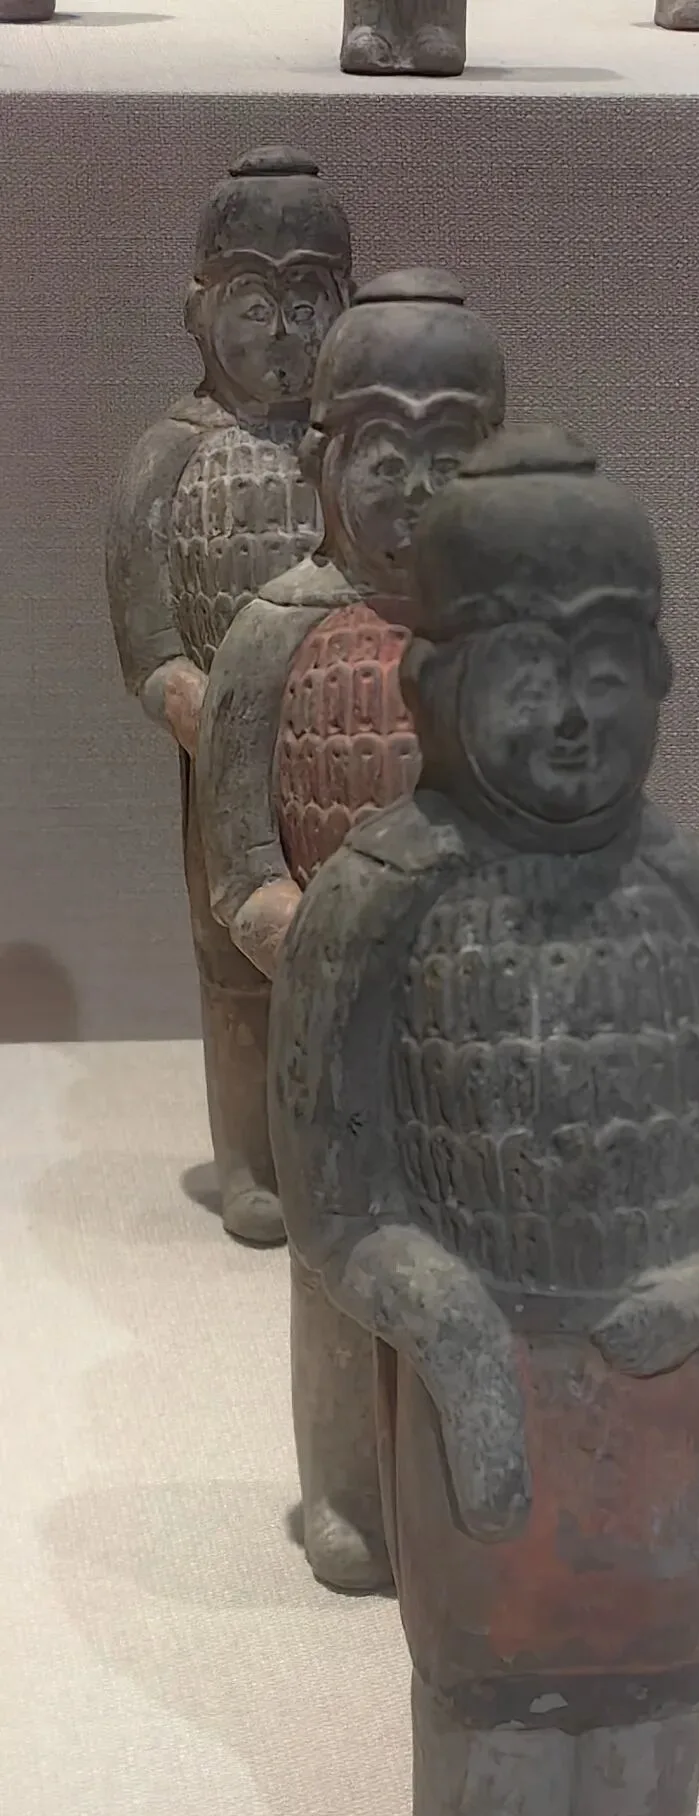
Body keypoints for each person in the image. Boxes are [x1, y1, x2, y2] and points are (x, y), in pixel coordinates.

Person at [268, 426, 699, 1816]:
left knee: (651, 1711)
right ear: (431, 687)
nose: (571, 717)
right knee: (495, 1719)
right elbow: (339, 1204)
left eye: (604, 668)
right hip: (480, 1391)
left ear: (660, 677)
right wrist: (454, 1332)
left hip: (662, 1407)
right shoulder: (378, 905)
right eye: (525, 670)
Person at [197, 271, 506, 1591]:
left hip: (474, 1028)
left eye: (453, 454)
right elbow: (241, 875)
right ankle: (345, 1490)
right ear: (326, 459)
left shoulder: (510, 642)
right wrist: (335, 964)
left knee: (470, 1266)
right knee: (336, 1265)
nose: (416, 492)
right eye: (387, 453)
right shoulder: (274, 638)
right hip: (329, 1027)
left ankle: (456, 1482)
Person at [105, 147, 353, 1244]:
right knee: (235, 963)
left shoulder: (354, 450)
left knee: (348, 952)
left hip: (349, 755)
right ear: (198, 311)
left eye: (309, 302)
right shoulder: (168, 457)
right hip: (224, 767)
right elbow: (149, 646)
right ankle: (250, 1161)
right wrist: (216, 719)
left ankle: (342, 1149)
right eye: (257, 304)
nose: (284, 335)